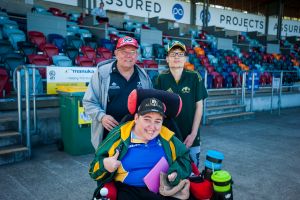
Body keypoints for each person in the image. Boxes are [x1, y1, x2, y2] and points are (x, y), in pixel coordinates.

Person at [89, 97, 191, 200]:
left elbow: (185, 159)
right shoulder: (119, 136)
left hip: (162, 189)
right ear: (136, 118)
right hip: (129, 191)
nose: (152, 126)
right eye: (147, 119)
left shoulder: (167, 137)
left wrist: (176, 172)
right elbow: (93, 171)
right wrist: (105, 164)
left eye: (157, 121)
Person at [83, 36, 152, 150]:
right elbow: (89, 102)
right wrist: (102, 117)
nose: (128, 55)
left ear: (137, 55)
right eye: (123, 51)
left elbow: (149, 104)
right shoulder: (102, 73)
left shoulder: (144, 76)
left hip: (135, 136)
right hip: (108, 136)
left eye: (132, 52)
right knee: (108, 167)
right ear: (116, 53)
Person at [155, 40, 208, 167]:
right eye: (173, 54)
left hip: (191, 136)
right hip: (168, 136)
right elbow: (157, 108)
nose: (176, 57)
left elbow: (199, 106)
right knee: (169, 174)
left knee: (192, 173)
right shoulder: (161, 78)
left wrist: (194, 133)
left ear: (185, 59)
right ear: (167, 59)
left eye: (180, 54)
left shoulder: (195, 77)